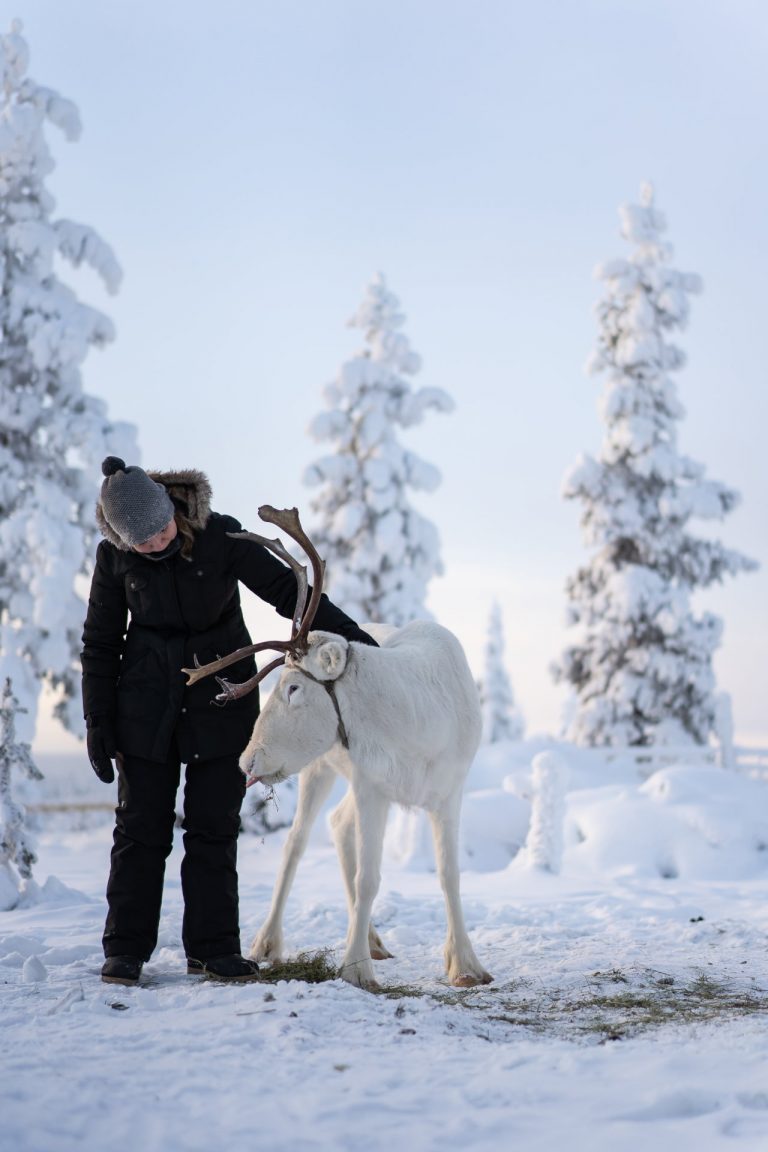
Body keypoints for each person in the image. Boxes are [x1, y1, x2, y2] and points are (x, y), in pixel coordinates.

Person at [81, 456, 377, 987]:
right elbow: (100, 642)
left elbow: (290, 594)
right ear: (123, 540)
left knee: (213, 828)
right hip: (145, 711)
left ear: (172, 509)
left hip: (222, 701)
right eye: (141, 542)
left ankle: (214, 950)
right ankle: (125, 949)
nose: (155, 544)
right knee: (139, 832)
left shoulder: (219, 535)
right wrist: (98, 719)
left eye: (161, 532)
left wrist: (356, 639)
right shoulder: (115, 559)